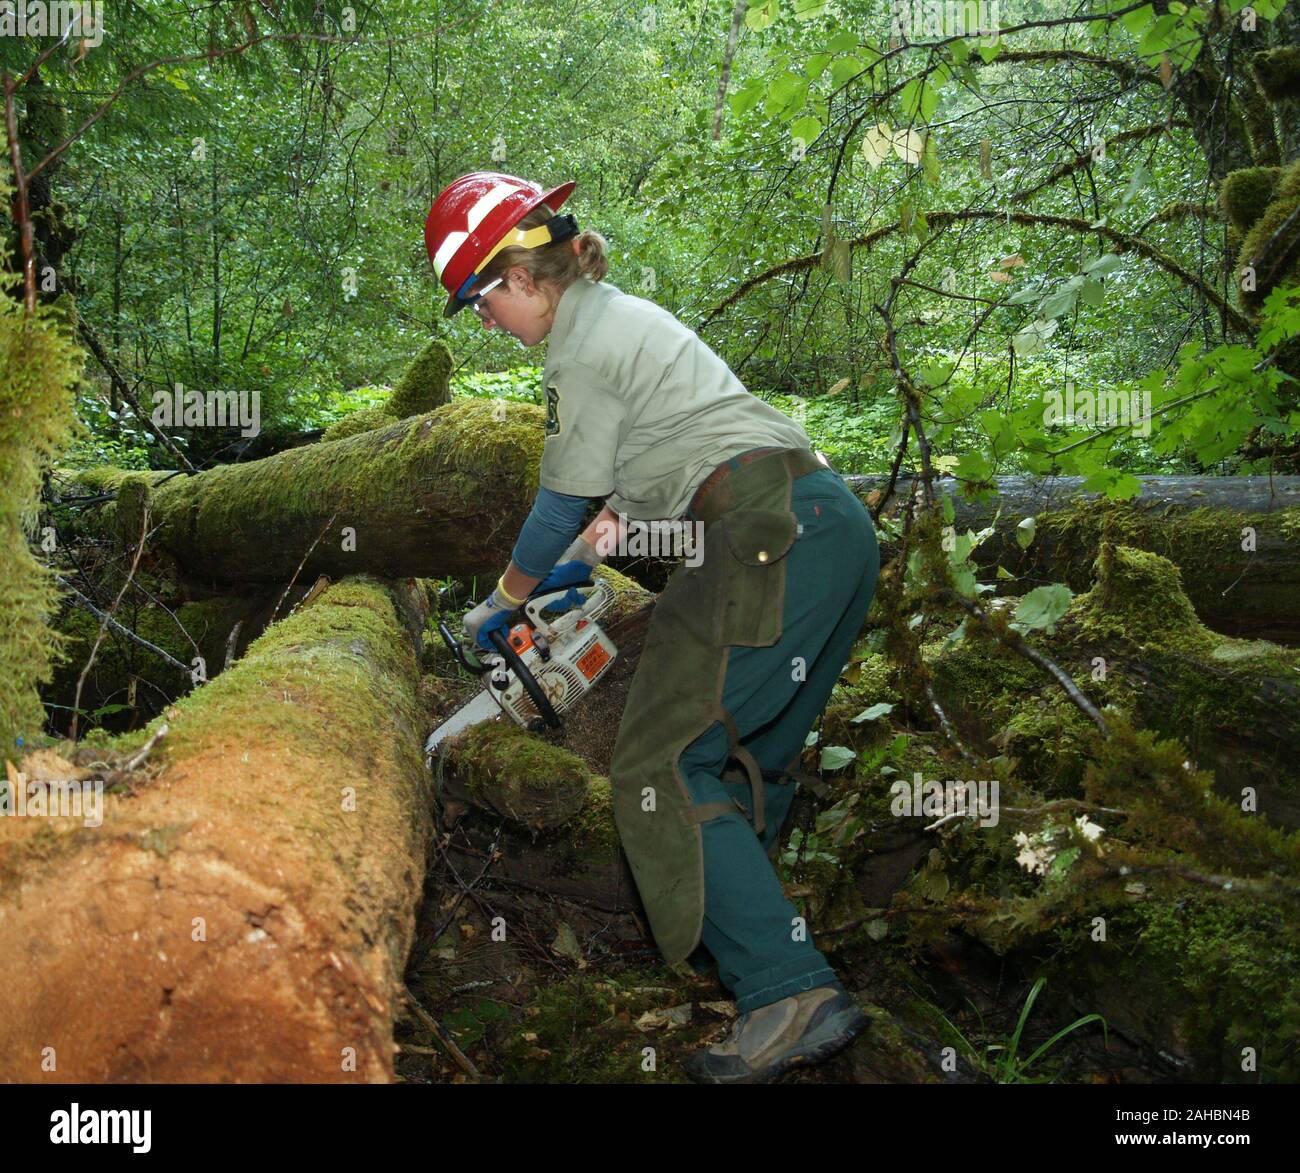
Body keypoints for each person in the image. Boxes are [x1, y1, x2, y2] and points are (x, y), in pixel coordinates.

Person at [424, 171, 880, 1083]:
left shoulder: (580, 349)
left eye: (481, 302)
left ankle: (788, 990)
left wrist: (502, 598)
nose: (485, 324)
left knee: (661, 761)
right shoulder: (622, 320)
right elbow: (629, 502)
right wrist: (576, 567)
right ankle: (761, 957)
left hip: (761, 529)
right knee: (752, 755)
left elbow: (561, 499)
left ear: (519, 278)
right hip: (826, 523)